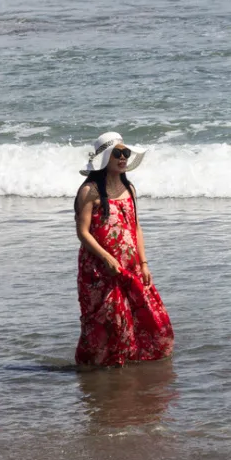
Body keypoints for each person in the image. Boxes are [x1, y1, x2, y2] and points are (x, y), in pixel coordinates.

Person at [73, 132, 174, 367]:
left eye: (125, 153)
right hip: (100, 270)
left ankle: (134, 361)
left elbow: (136, 227)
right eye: (117, 153)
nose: (123, 158)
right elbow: (83, 232)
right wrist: (107, 258)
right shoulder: (90, 191)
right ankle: (97, 371)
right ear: (105, 157)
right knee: (106, 323)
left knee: (154, 320)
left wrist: (144, 263)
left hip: (130, 267)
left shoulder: (129, 188)